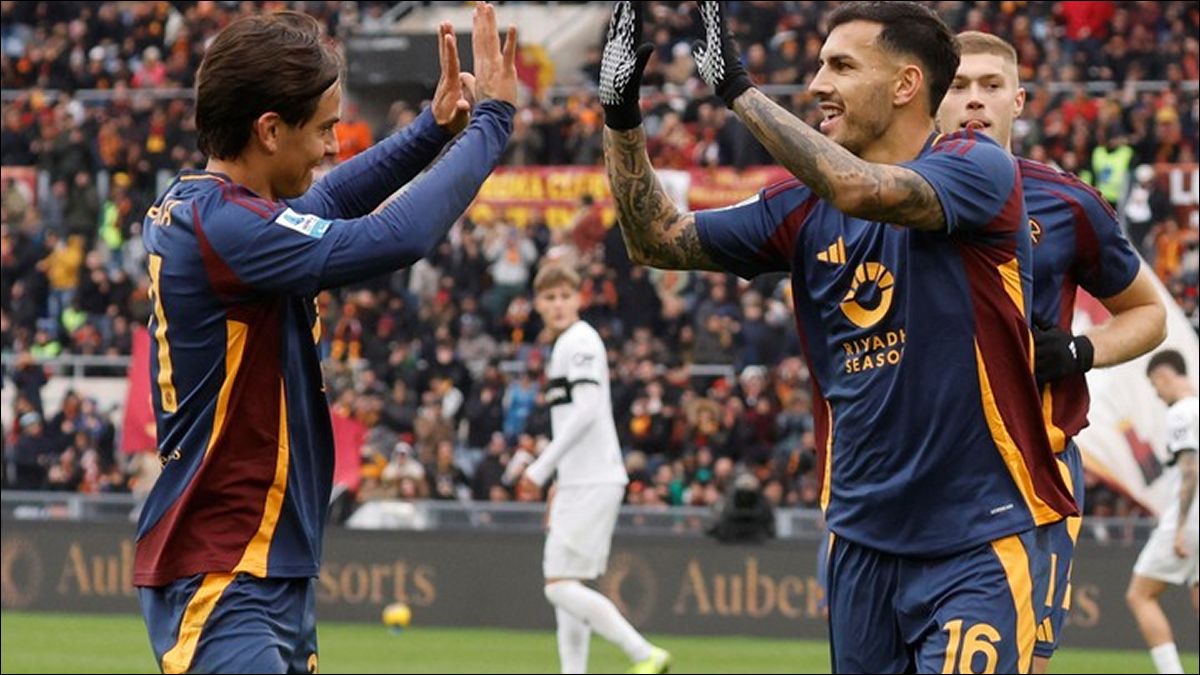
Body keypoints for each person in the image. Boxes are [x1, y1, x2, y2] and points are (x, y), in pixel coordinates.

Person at [600, 1, 1076, 671]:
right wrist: (620, 116)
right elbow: (655, 238)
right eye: (821, 64)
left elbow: (858, 188)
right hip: (859, 543)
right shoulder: (801, 205)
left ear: (906, 84)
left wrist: (738, 92)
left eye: (842, 66)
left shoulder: (978, 168)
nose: (818, 83)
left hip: (978, 539)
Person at [133, 6, 518, 673]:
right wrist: (494, 122)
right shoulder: (228, 227)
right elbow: (396, 236)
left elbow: (333, 199)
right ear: (269, 130)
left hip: (264, 567)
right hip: (224, 572)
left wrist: (432, 129)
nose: (334, 145)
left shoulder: (219, 211)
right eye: (324, 128)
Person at [935, 31, 1168, 673]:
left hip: (1034, 473)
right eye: (958, 86)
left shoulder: (1065, 201)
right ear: (930, 97)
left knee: (1028, 664)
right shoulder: (891, 194)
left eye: (990, 85)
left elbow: (1149, 314)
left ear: (1018, 100)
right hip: (923, 472)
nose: (974, 100)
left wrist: (1077, 350)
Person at [515, 262, 670, 675]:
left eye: (565, 296)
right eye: (550, 297)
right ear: (537, 304)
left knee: (558, 586)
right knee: (568, 584)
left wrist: (540, 469)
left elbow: (586, 411)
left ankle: (643, 654)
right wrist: (559, 480)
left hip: (592, 479)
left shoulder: (579, 340)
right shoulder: (567, 344)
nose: (558, 304)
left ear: (579, 299)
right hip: (580, 479)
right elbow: (576, 417)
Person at [1127, 350, 1198, 675]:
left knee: (1140, 595)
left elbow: (1191, 470)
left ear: (1164, 377)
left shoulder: (1181, 412)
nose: (1158, 395)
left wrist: (1180, 527)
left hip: (1191, 518)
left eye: (1156, 388)